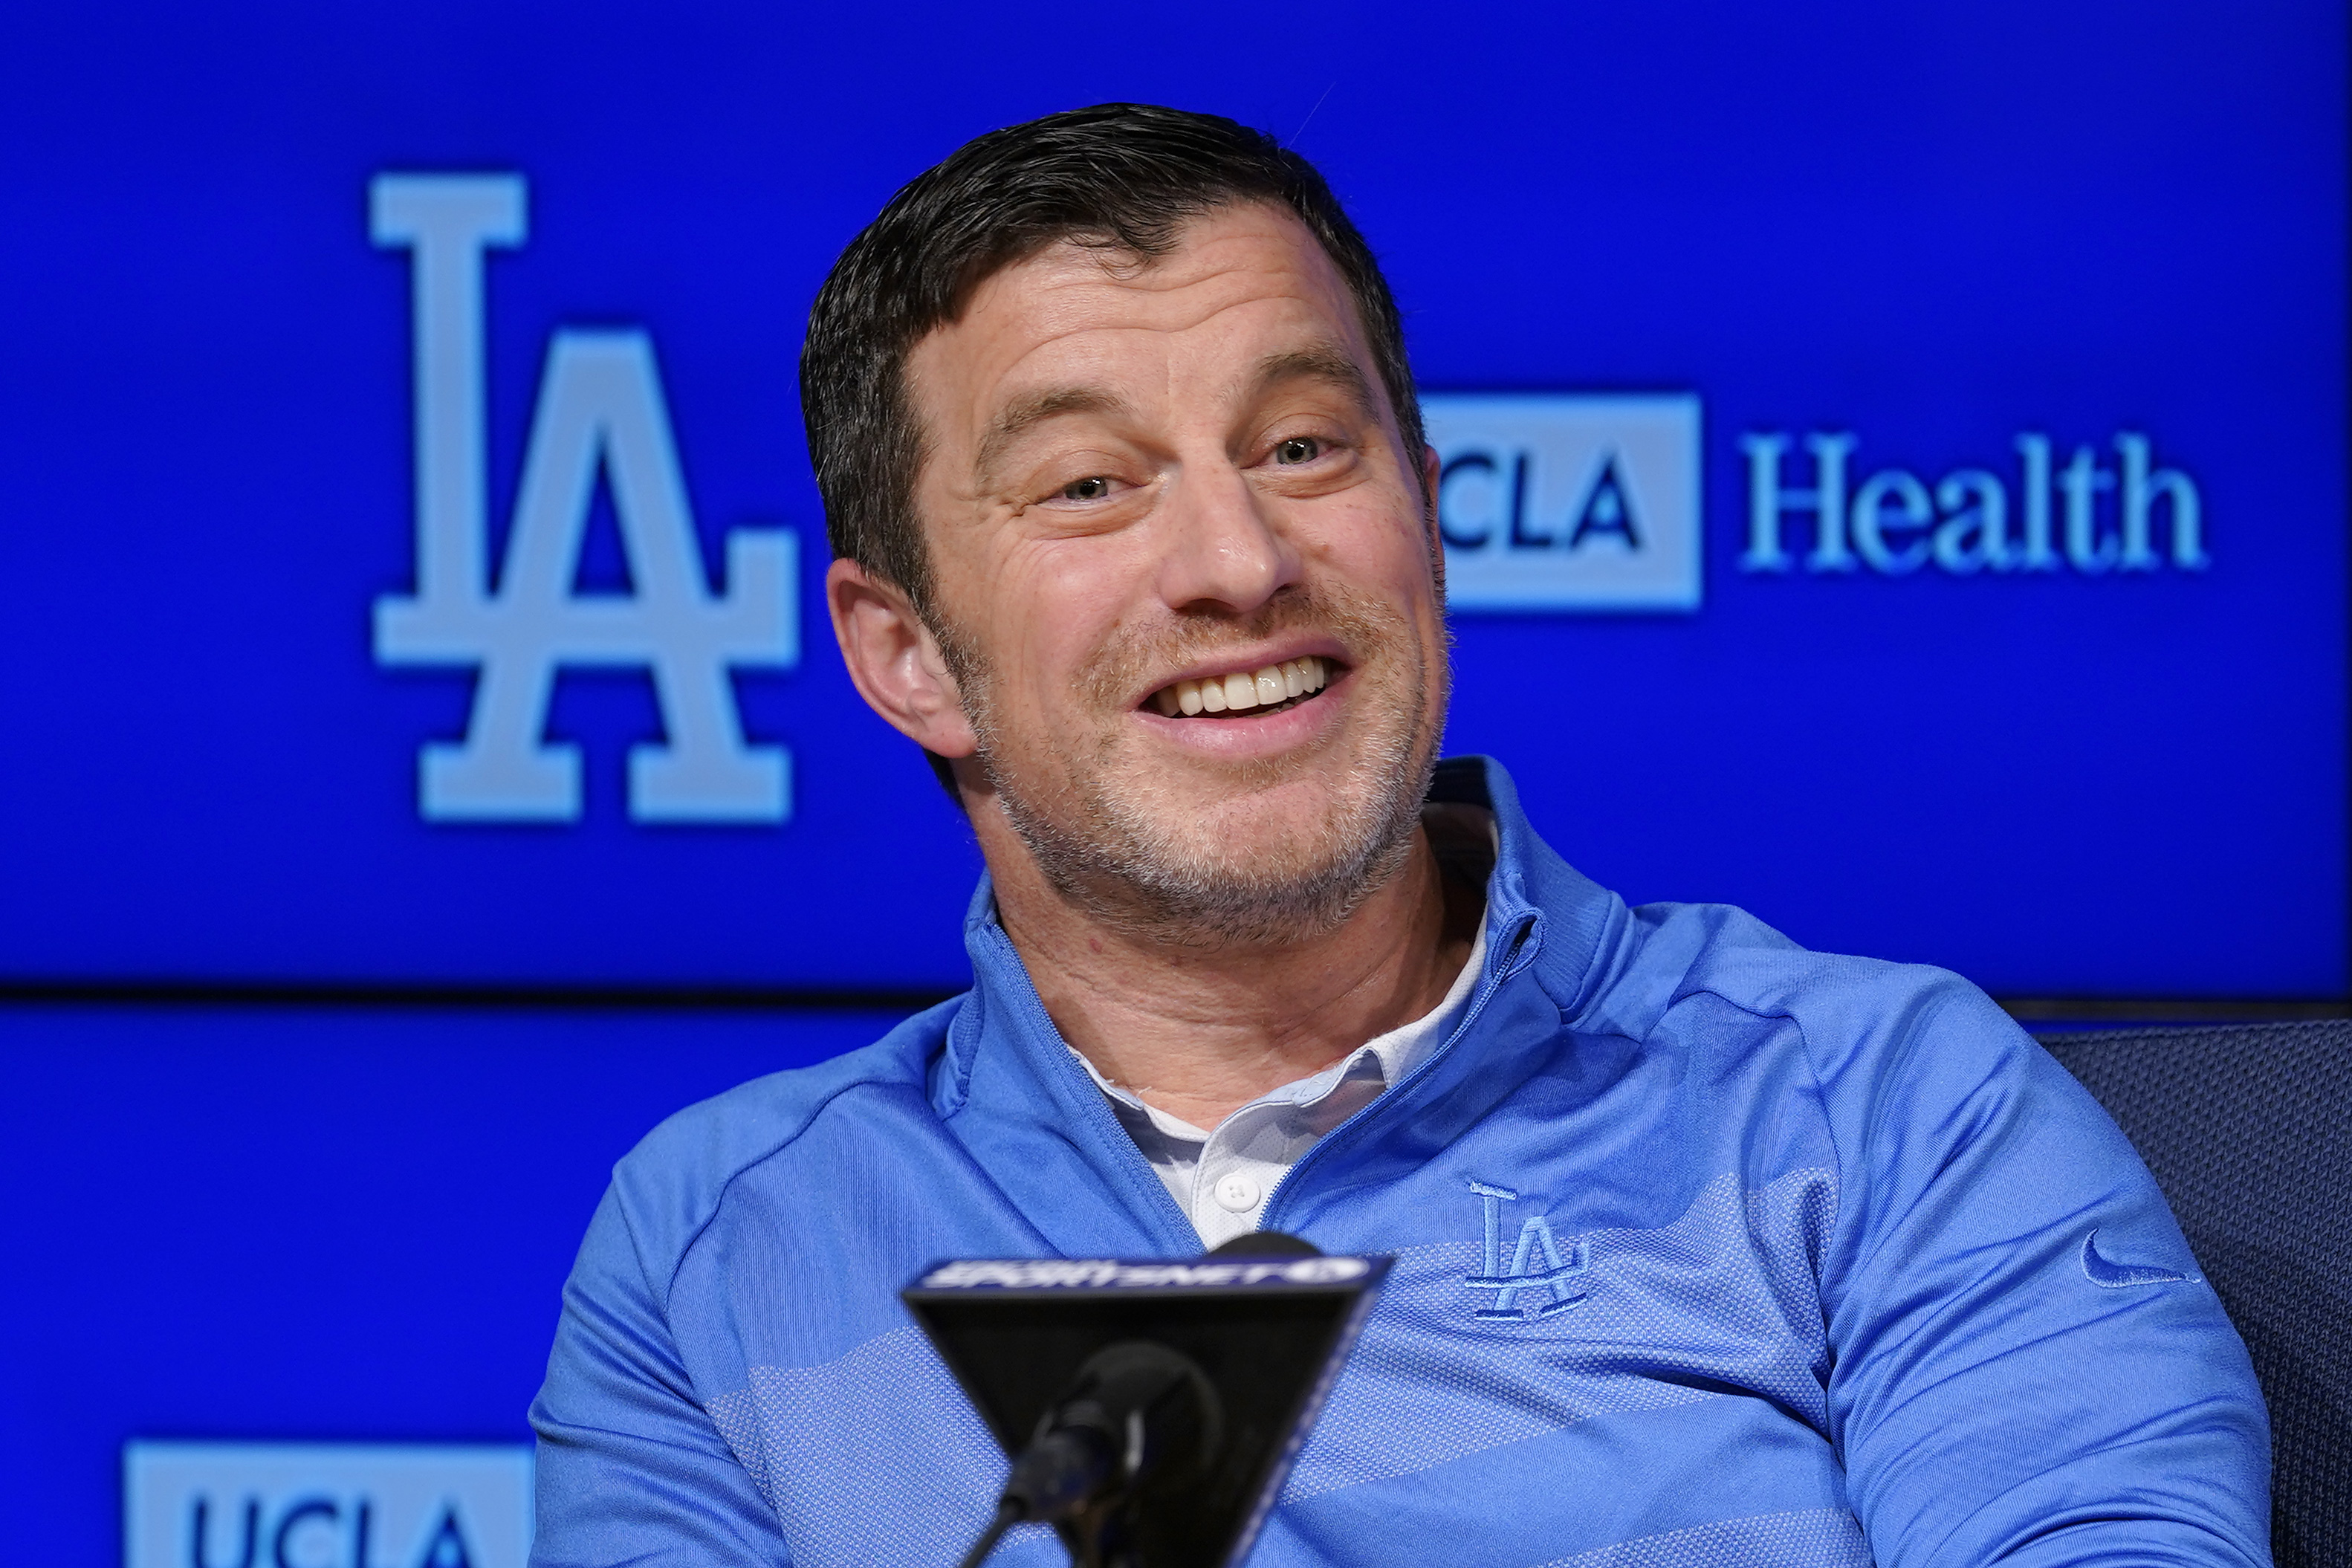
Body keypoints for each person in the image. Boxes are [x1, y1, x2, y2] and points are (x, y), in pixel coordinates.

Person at [528, 104, 2270, 1567]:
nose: (1236, 558)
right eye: (1088, 483)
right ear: (909, 655)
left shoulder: (1881, 1107)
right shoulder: (718, 1253)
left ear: (1425, 521)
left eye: (1300, 445)